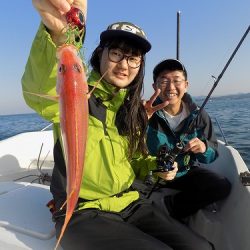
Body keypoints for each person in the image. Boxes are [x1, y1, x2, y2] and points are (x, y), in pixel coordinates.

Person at [21, 1, 214, 249]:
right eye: (116, 54)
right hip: (83, 210)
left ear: (140, 66)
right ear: (100, 54)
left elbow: (133, 161)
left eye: (133, 58)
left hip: (131, 202)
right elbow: (39, 90)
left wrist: (158, 165)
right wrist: (61, 38)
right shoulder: (78, 93)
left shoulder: (131, 110)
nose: (124, 64)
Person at [146, 58, 232, 221]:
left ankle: (170, 206)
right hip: (150, 175)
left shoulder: (200, 116)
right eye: (164, 81)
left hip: (185, 173)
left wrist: (204, 148)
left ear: (186, 85)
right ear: (154, 86)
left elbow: (212, 154)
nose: (171, 87)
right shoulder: (144, 113)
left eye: (177, 81)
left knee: (221, 185)